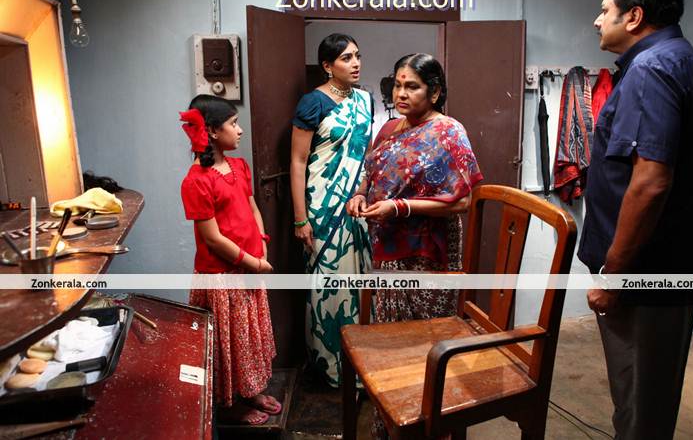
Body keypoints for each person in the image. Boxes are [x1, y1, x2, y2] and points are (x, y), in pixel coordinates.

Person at [579, 0, 693, 439]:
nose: (597, 20)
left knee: (640, 413)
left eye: (605, 10)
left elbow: (651, 182)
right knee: (642, 406)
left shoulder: (653, 69)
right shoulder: (677, 61)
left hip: (644, 281)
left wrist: (613, 276)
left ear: (634, 16)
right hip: (658, 275)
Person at [347, 53, 482, 438]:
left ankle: (429, 425)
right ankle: (391, 424)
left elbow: (463, 201)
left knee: (425, 343)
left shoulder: (449, 131)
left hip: (429, 255)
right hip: (388, 251)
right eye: (397, 85)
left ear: (435, 92)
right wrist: (360, 196)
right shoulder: (389, 129)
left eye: (412, 86)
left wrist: (401, 207)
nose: (401, 94)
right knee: (390, 340)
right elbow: (370, 177)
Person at [180, 94, 281, 425]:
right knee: (229, 345)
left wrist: (262, 246)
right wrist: (253, 263)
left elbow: (252, 210)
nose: (239, 130)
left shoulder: (239, 167)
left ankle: (250, 391)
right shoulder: (196, 181)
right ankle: (230, 403)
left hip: (249, 268)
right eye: (233, 124)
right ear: (211, 131)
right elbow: (212, 238)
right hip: (223, 276)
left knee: (248, 338)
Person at [290, 33, 373, 387]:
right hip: (322, 207)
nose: (355, 63)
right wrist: (301, 218)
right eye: (346, 58)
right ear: (327, 66)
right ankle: (329, 365)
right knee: (329, 284)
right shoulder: (313, 103)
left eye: (357, 56)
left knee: (360, 282)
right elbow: (298, 161)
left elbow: (366, 154)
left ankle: (361, 363)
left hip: (356, 205)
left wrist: (363, 192)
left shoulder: (365, 100)